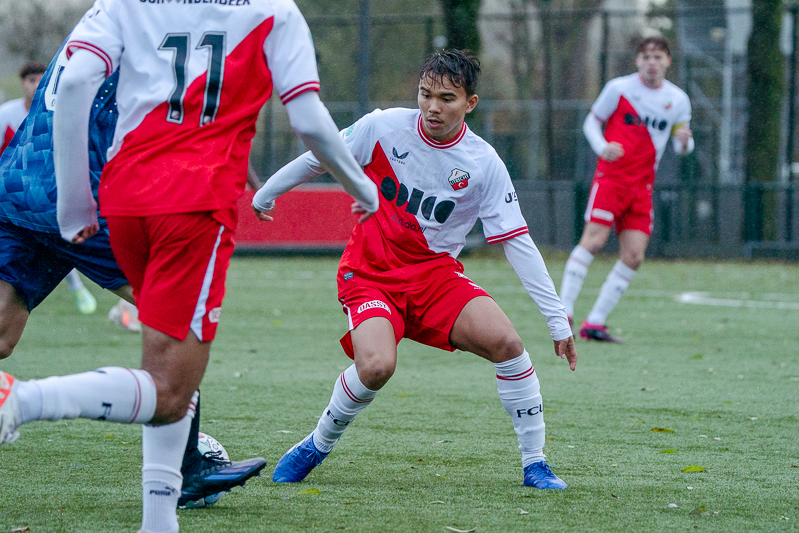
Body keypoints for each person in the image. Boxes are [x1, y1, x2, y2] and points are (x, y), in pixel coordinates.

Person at [0, 0, 379, 532]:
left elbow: (72, 86)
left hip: (122, 197)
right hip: (192, 204)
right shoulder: (269, 3)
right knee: (171, 386)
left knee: (159, 360)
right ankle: (15, 403)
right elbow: (310, 120)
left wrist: (77, 201)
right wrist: (364, 189)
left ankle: (161, 519)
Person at [0, 0, 268, 512]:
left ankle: (188, 458)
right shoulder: (154, 29)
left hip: (18, 187)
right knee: (176, 319)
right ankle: (189, 469)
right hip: (74, 197)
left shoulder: (107, 10)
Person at [253, 49, 577, 490]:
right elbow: (321, 153)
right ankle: (316, 445)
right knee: (376, 367)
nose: (432, 107)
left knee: (508, 344)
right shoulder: (383, 127)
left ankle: (536, 464)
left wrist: (557, 320)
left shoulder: (483, 163)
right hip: (370, 273)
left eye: (447, 98)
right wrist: (268, 192)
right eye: (426, 94)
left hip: (434, 278)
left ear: (471, 103)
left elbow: (517, 243)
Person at [559, 35, 693, 343]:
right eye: (646, 56)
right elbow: (591, 123)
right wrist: (602, 146)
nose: (652, 62)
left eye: (658, 57)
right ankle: (562, 311)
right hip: (612, 180)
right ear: (637, 61)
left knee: (634, 256)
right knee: (593, 241)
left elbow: (681, 143)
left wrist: (686, 142)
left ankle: (595, 323)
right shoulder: (619, 89)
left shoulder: (678, 99)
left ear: (668, 62)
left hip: (642, 187)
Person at [0, 64, 97, 321]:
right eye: (31, 80)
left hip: (47, 194)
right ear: (22, 83)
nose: (36, 84)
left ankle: (79, 290)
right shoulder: (6, 112)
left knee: (61, 240)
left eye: (41, 80)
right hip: (11, 195)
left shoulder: (57, 111)